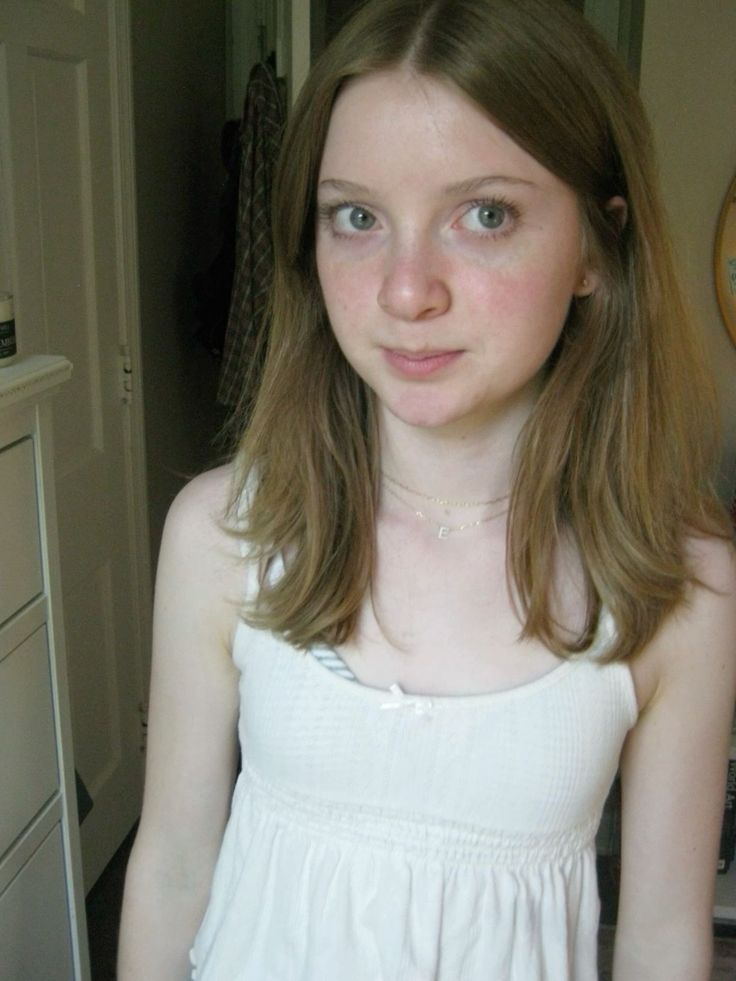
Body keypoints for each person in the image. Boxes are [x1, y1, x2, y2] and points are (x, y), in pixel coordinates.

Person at [117, 0, 736, 978]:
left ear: (594, 246)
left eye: (484, 215)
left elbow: (661, 937)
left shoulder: (680, 588)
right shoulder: (224, 535)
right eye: (357, 218)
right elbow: (174, 867)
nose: (406, 291)